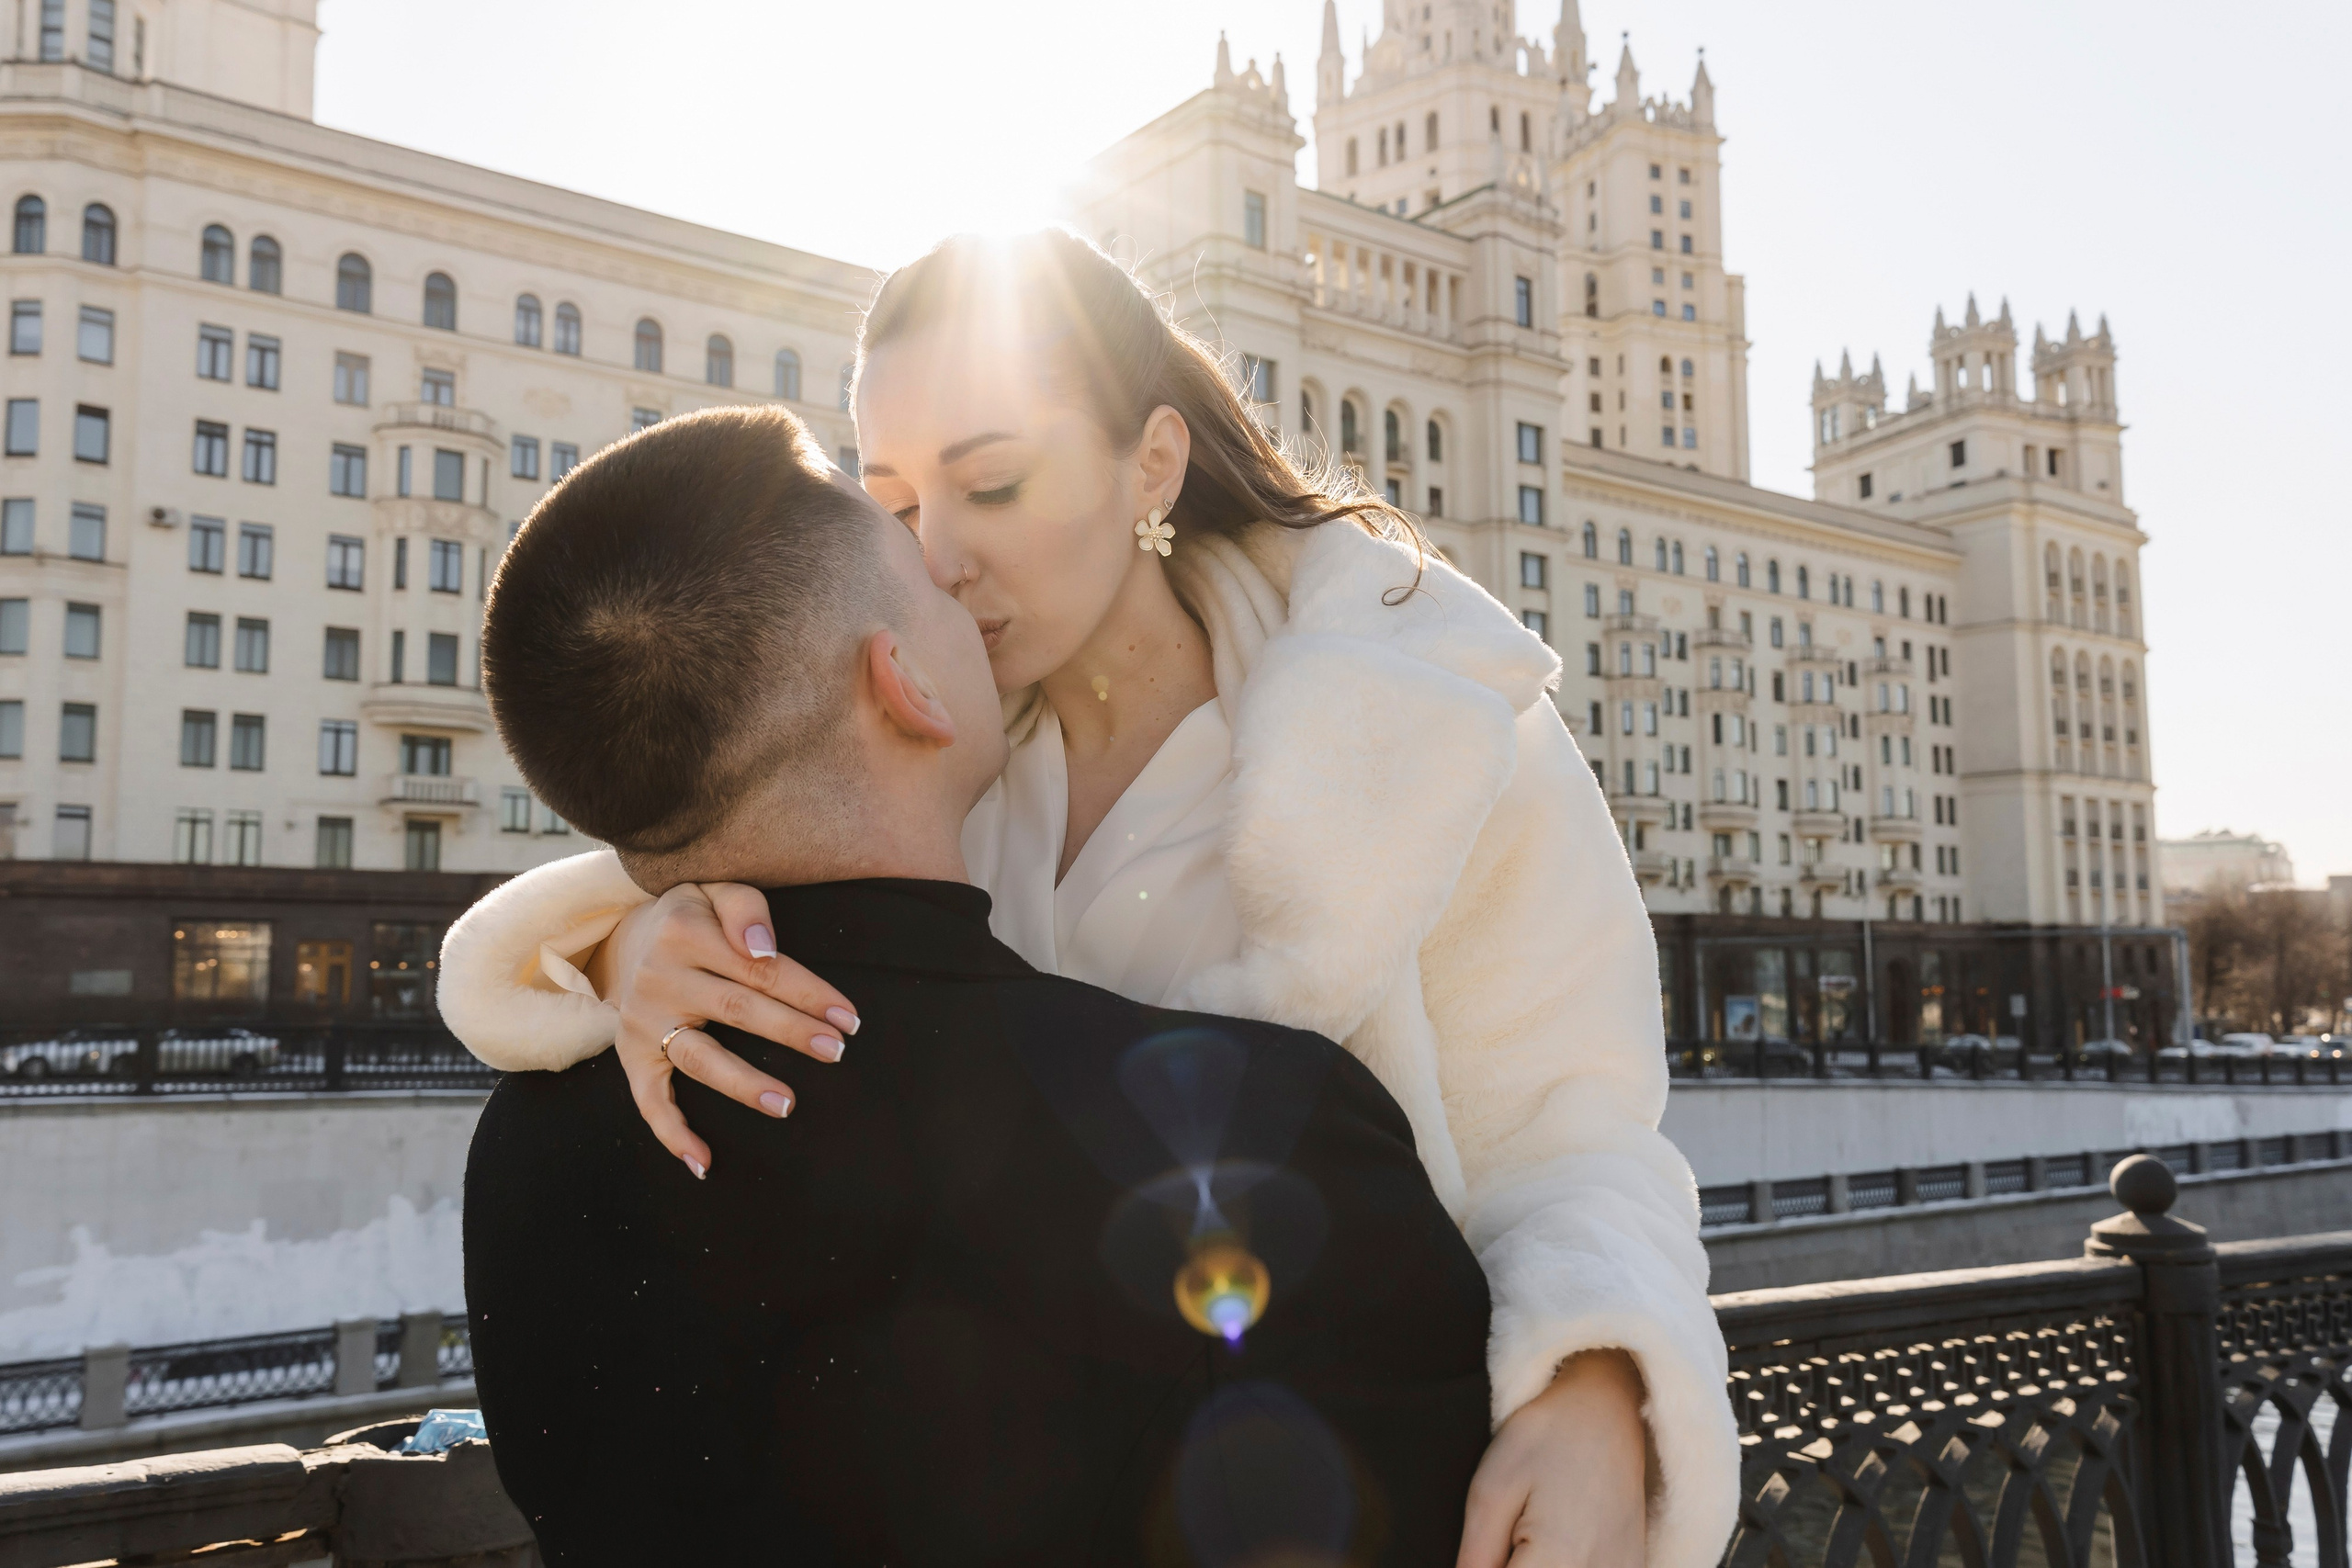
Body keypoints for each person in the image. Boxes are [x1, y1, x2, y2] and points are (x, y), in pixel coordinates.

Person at [441, 231, 1737, 1568]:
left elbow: (1578, 1132)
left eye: (990, 483)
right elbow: (652, 828)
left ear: (1153, 465)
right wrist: (639, 941)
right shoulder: (926, 732)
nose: (936, 553)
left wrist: (1597, 1381)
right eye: (889, 502)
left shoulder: (1432, 723)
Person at [463, 406, 1496, 1565]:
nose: (964, 584)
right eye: (923, 573)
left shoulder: (526, 1147)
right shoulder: (1260, 1145)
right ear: (903, 684)